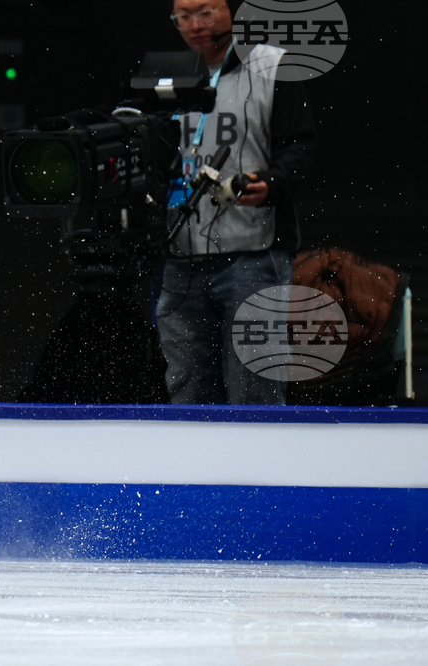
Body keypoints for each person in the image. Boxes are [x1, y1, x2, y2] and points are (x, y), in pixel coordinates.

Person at [156, 0, 318, 404]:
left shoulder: (271, 66)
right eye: (183, 16)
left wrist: (273, 183)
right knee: (186, 387)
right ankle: (194, 468)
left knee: (254, 387)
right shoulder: (164, 73)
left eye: (205, 12)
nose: (194, 25)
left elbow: (299, 144)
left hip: (254, 252)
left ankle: (257, 468)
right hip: (181, 253)